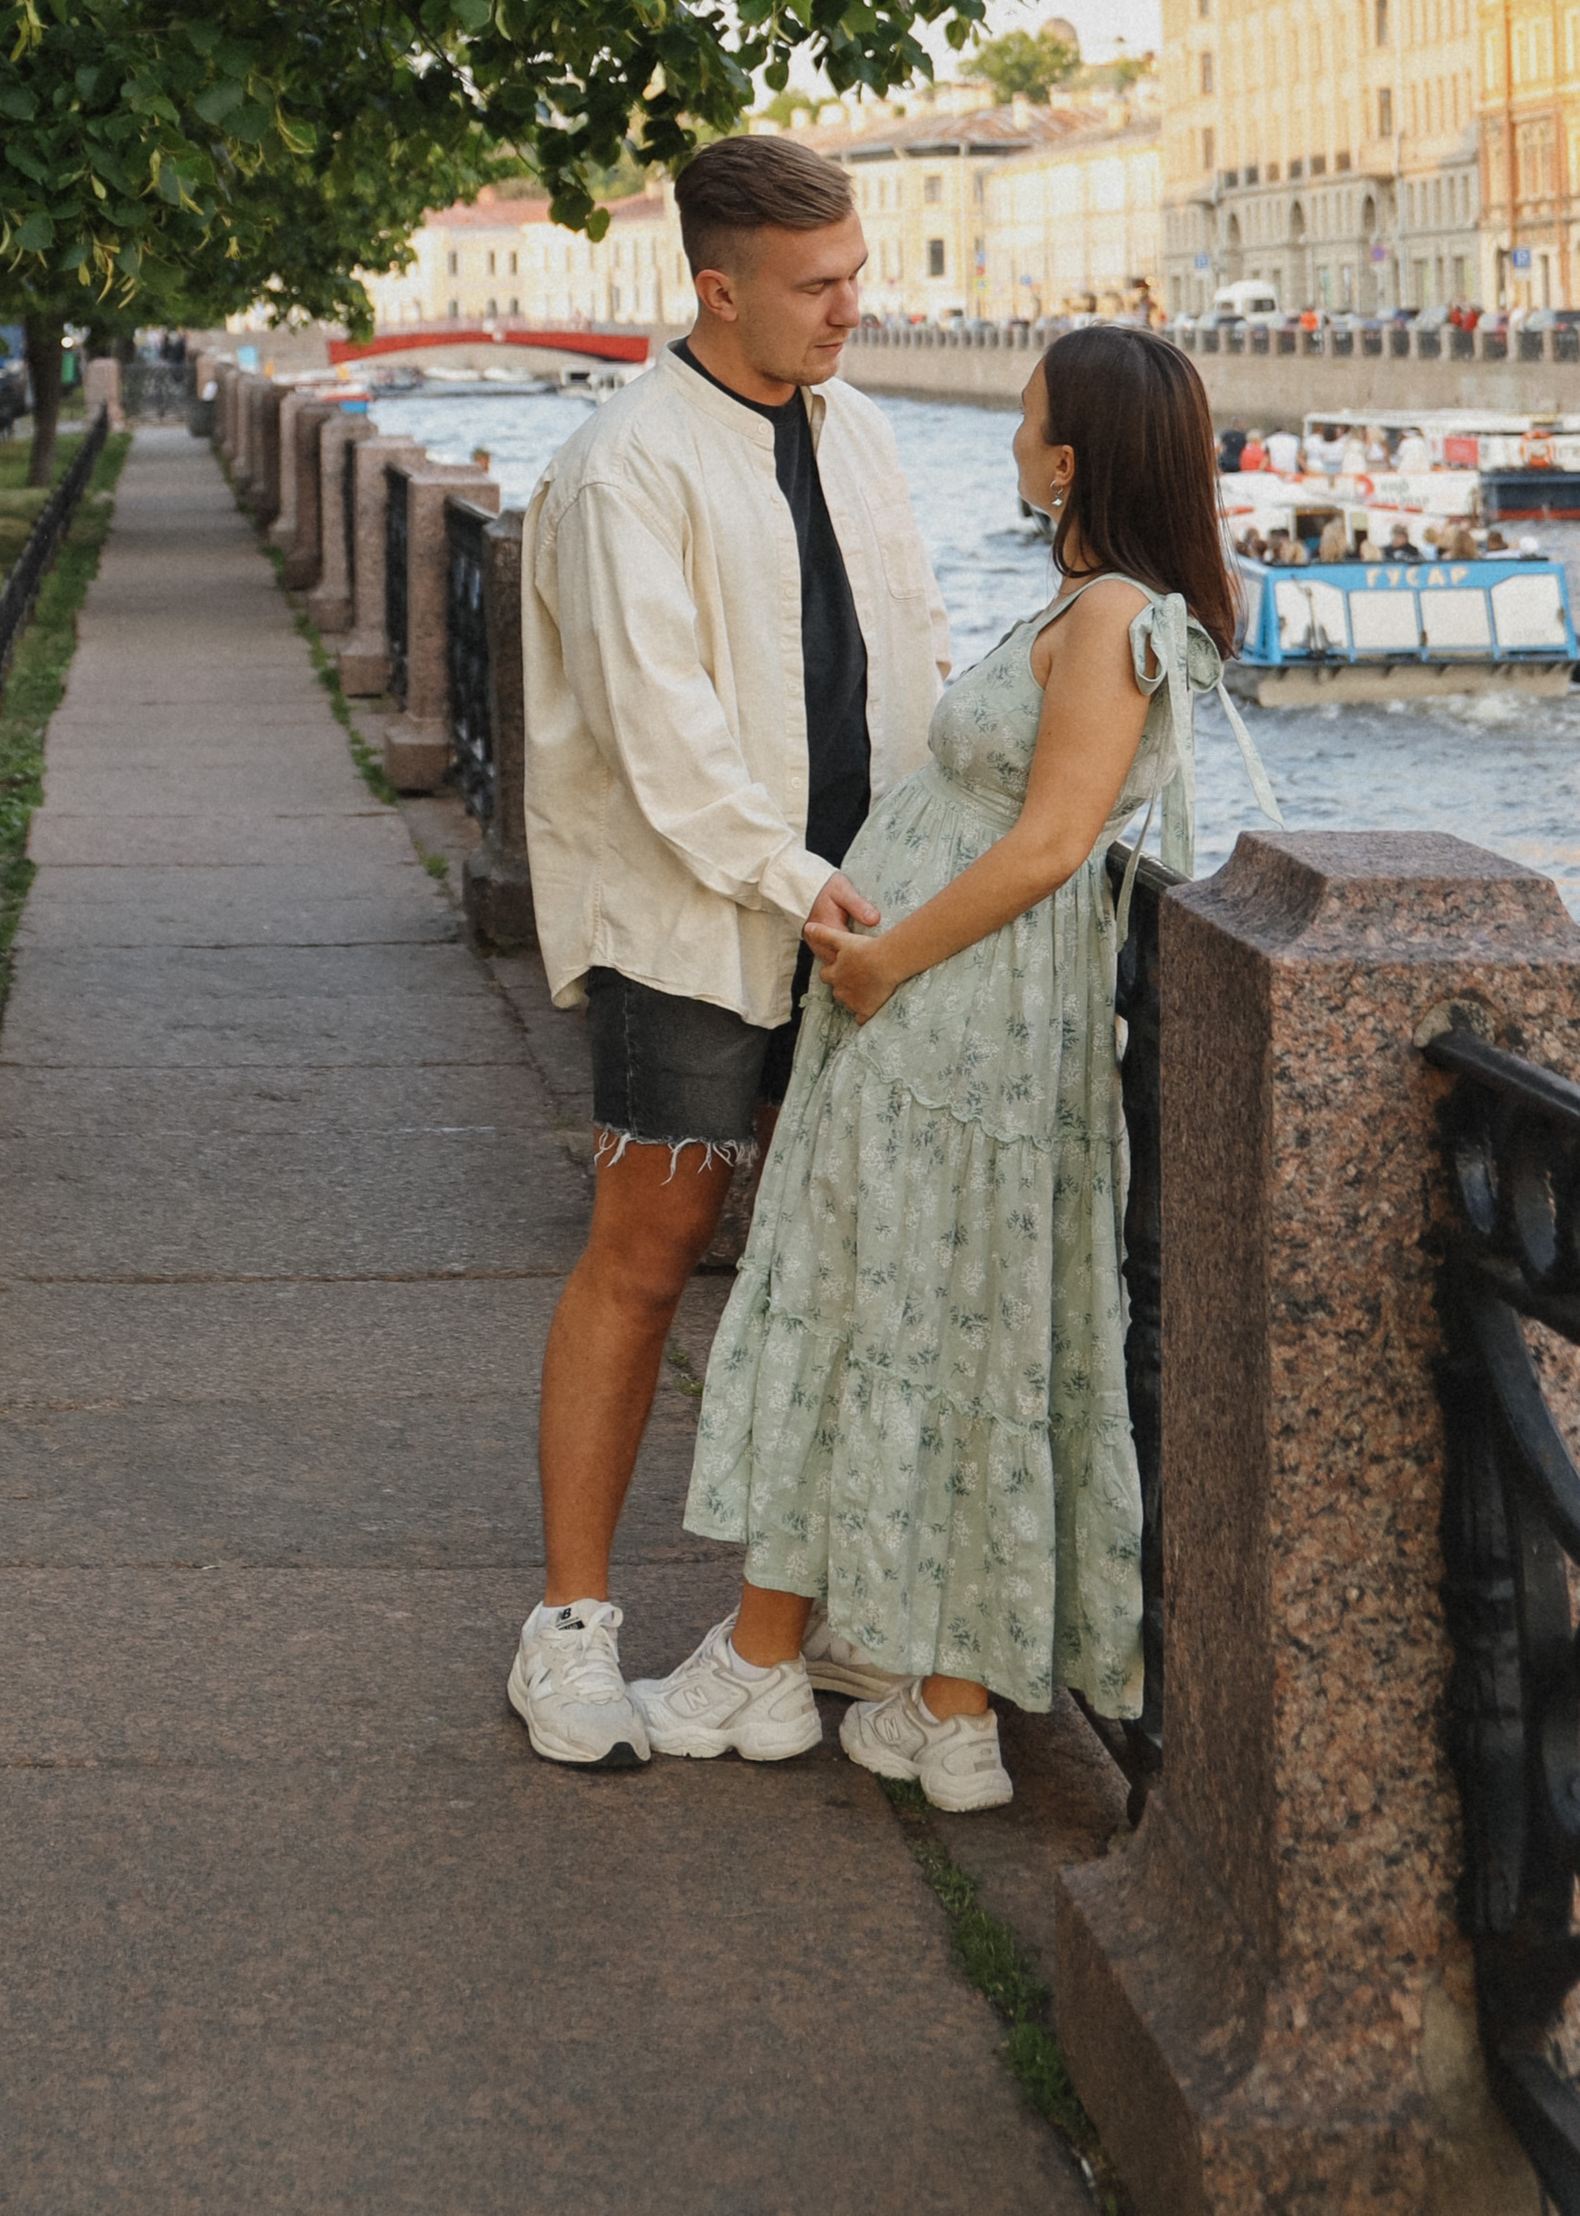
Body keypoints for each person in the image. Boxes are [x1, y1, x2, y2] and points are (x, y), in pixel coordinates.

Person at [651, 325, 1275, 1811]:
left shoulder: (1114, 611)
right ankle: (944, 1708)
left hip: (953, 1017)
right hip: (978, 1015)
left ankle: (762, 1661)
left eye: (1025, 418)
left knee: (863, 1300)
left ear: (1068, 460)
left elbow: (1054, 843)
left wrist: (881, 960)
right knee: (963, 1324)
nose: (1008, 436)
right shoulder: (1099, 602)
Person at [504, 132, 951, 1769]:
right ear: (718, 287)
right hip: (700, 924)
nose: (853, 307)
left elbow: (915, 664)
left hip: (865, 913)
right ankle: (569, 1628)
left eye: (855, 273)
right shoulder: (625, 464)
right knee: (648, 1245)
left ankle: (809, 1623)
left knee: (843, 1257)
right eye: (820, 286)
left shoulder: (865, 435)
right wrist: (799, 880)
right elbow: (658, 737)